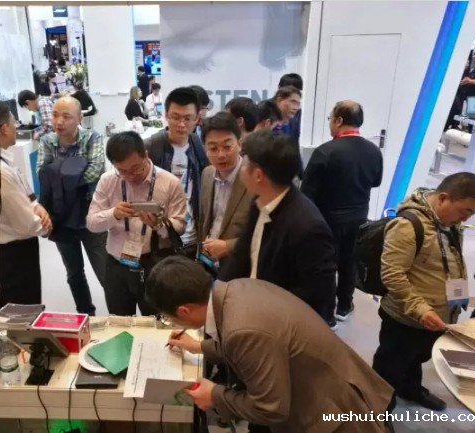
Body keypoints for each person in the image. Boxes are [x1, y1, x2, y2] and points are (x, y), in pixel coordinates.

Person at [146, 256, 394, 433]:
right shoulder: (235, 289)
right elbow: (252, 347)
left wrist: (215, 395)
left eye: (169, 318)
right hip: (332, 387)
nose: (172, 323)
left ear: (184, 310)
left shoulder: (243, 329)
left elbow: (270, 408)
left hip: (333, 415)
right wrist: (199, 347)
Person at [373, 173, 475, 411]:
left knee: (416, 358)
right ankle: (377, 411)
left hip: (435, 315)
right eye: (465, 211)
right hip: (406, 317)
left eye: (471, 214)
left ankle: (410, 388)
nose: (466, 218)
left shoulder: (449, 223)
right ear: (443, 198)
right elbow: (392, 275)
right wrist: (420, 310)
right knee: (389, 367)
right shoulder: (407, 225)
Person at [219, 129, 337, 326]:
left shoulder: (307, 226)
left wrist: (263, 311)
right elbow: (241, 254)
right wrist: (218, 295)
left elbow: (318, 295)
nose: (240, 168)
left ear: (258, 175)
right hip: (251, 308)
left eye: (244, 162)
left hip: (281, 324)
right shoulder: (259, 201)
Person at [87, 131, 187, 315]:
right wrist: (113, 214)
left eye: (136, 168)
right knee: (120, 322)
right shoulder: (108, 181)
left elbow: (180, 225)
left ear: (146, 156)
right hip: (117, 264)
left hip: (155, 263)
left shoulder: (170, 183)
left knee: (157, 320)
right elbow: (92, 223)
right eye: (123, 171)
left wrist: (159, 225)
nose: (131, 176)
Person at [301, 101, 383, 323]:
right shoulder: (374, 151)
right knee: (349, 262)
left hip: (327, 219)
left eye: (330, 119)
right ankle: (345, 305)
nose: (330, 123)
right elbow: (376, 181)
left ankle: (327, 313)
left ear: (338, 121)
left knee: (326, 266)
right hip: (359, 218)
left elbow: (306, 193)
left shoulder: (325, 152)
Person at [0, 99, 52, 307]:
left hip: (1, 249)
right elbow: (26, 224)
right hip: (15, 254)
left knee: (14, 307)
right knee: (23, 310)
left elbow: (22, 191)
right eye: (14, 122)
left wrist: (35, 204)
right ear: (4, 128)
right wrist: (46, 226)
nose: (17, 127)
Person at [37, 97, 107, 316]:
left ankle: (119, 313)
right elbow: (42, 173)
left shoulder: (92, 138)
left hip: (91, 214)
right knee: (74, 273)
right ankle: (86, 314)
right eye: (55, 115)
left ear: (79, 118)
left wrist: (58, 175)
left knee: (105, 271)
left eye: (66, 116)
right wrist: (73, 171)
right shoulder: (47, 141)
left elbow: (95, 172)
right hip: (62, 216)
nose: (59, 121)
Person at [145, 87, 209, 259]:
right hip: (159, 238)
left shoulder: (200, 148)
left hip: (192, 237)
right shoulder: (151, 148)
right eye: (175, 117)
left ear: (197, 119)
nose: (181, 124)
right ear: (166, 115)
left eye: (187, 118)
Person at [198, 112, 251, 270]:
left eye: (227, 147)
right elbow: (204, 221)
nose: (221, 155)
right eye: (213, 148)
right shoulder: (207, 174)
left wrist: (228, 246)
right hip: (207, 261)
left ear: (239, 144)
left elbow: (266, 235)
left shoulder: (254, 179)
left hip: (240, 267)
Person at [273, 86, 304, 179]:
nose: (296, 108)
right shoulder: (267, 122)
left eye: (298, 104)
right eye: (293, 102)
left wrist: (301, 174)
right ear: (279, 100)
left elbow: (295, 148)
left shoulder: (293, 123)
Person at [278, 73, 303, 138]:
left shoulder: (298, 112)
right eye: (292, 91)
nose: (296, 94)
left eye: (298, 91)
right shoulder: (268, 110)